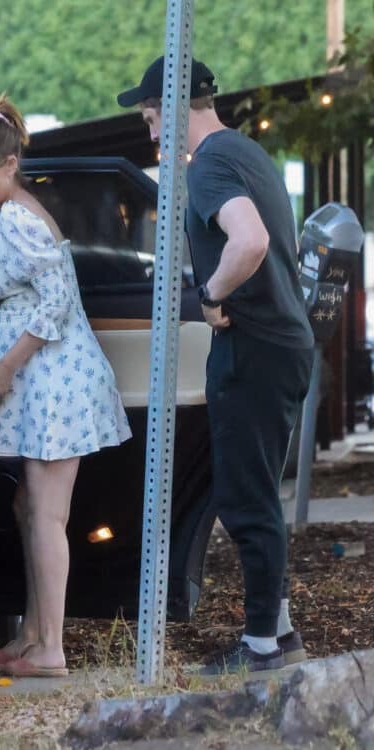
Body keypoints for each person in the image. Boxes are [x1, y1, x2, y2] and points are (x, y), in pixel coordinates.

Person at [118, 57, 314, 676]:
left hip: (253, 346)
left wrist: (212, 295)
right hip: (283, 342)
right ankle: (278, 635)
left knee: (244, 498)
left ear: (175, 108)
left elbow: (248, 240)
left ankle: (259, 650)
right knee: (255, 492)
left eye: (152, 118)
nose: (152, 134)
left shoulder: (208, 167)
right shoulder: (246, 153)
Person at [0, 95, 131, 678]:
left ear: (8, 165)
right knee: (30, 508)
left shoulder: (19, 220)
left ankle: (50, 647)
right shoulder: (7, 216)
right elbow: (4, 288)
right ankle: (31, 634)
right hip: (47, 384)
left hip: (55, 385)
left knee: (47, 514)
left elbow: (56, 304)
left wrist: (3, 368)